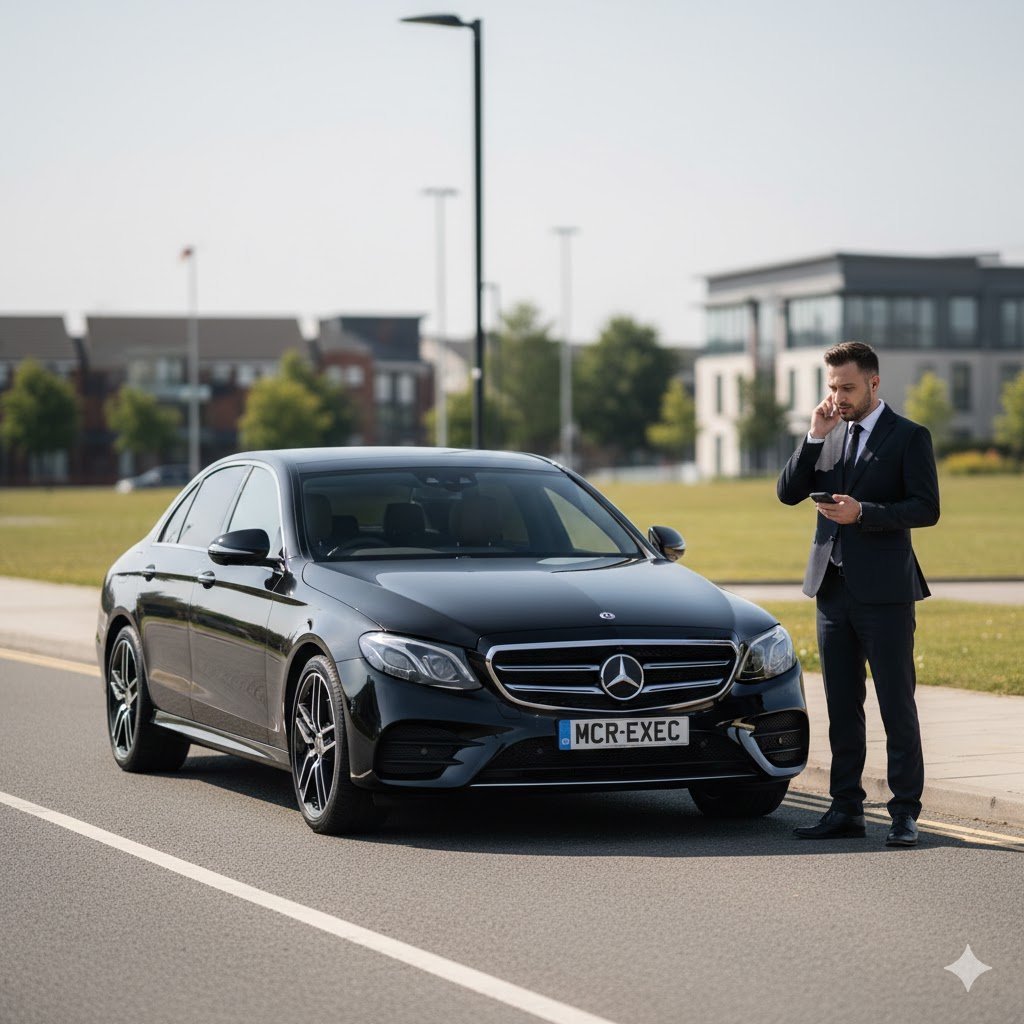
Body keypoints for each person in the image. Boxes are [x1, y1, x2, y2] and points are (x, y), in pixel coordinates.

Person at [777, 341, 940, 847]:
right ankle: (845, 807)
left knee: (896, 703)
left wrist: (864, 513)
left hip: (886, 593)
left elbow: (925, 508)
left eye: (847, 387)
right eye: (831, 387)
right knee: (842, 705)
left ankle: (905, 811)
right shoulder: (829, 433)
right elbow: (787, 492)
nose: (838, 397)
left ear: (873, 383)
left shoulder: (909, 436)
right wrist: (812, 436)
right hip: (832, 590)